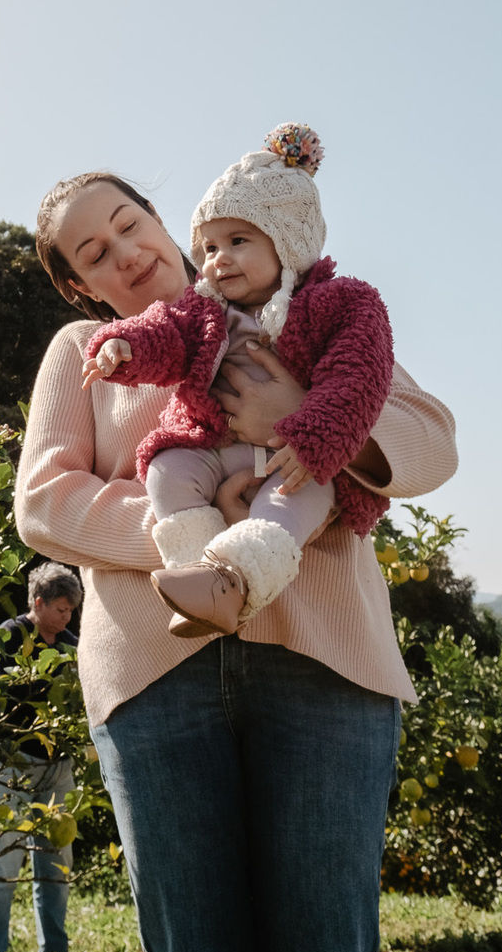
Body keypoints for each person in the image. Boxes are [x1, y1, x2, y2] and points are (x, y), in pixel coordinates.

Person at [17, 166, 457, 952]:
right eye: (94, 253)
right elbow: (43, 502)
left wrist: (304, 421)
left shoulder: (296, 307)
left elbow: (431, 441)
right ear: (80, 286)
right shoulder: (87, 353)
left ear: (162, 219)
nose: (125, 252)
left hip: (323, 669)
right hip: (156, 683)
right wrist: (211, 527)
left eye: (128, 223)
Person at [82, 125, 395, 637]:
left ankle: (238, 579)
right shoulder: (204, 308)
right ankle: (197, 572)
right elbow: (165, 332)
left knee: (292, 502)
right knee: (165, 469)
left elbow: (357, 380)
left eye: (238, 241)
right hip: (211, 445)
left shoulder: (342, 304)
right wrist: (124, 345)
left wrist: (312, 437)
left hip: (295, 456)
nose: (217, 259)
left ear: (287, 243)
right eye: (208, 247)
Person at [0, 561, 83, 952]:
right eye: (61, 609)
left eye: (71, 610)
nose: (67, 617)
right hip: (6, 762)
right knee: (1, 867)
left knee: (56, 865)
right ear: (38, 603)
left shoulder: (71, 646)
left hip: (54, 767)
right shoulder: (10, 637)